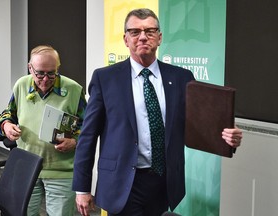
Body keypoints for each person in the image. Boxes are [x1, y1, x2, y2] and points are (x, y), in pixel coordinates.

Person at [72, 8, 243, 216]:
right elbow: (88, 137)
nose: (143, 36)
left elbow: (200, 124)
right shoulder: (105, 78)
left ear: (159, 38)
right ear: (125, 39)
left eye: (150, 31)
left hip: (163, 181)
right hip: (121, 182)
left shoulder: (182, 78)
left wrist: (227, 136)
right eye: (135, 32)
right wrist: (82, 188)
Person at [0, 45, 87, 216]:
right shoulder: (21, 85)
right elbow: (8, 113)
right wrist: (7, 125)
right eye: (39, 73)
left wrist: (75, 141)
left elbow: (88, 126)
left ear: (57, 68)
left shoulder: (74, 89)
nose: (45, 79)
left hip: (61, 170)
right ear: (30, 68)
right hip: (27, 167)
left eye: (51, 73)